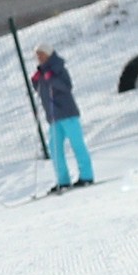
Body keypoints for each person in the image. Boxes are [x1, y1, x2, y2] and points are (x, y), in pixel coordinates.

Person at [31, 45, 94, 192]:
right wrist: (36, 81)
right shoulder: (42, 72)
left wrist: (51, 78)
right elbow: (42, 91)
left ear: (48, 54)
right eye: (37, 56)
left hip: (67, 113)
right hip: (53, 117)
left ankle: (87, 176)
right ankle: (63, 180)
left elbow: (66, 87)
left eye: (41, 55)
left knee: (77, 144)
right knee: (54, 148)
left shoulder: (58, 68)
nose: (39, 58)